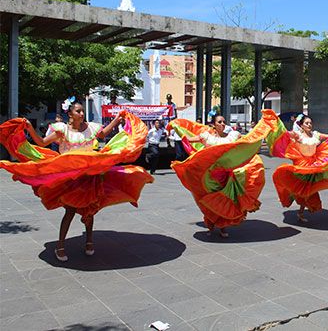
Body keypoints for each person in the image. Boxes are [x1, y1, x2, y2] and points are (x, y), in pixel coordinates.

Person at [0, 100, 153, 262]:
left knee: (90, 208)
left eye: (82, 111)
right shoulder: (62, 130)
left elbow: (104, 134)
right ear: (70, 114)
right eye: (78, 111)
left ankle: (89, 241)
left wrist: (117, 118)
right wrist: (29, 127)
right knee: (71, 210)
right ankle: (60, 245)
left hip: (89, 175)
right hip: (70, 177)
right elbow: (41, 143)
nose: (82, 114)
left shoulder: (91, 128)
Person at [171, 113, 274, 238]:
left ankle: (222, 227)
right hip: (209, 177)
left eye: (224, 122)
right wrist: (176, 127)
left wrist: (263, 128)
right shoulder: (207, 137)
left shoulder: (232, 136)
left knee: (224, 200)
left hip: (226, 175)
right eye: (219, 122)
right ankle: (210, 225)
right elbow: (187, 139)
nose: (223, 124)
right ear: (214, 125)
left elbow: (248, 139)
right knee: (210, 201)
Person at [267, 114, 328, 223]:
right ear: (302, 125)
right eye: (306, 123)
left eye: (310, 123)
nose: (309, 125)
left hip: (315, 164)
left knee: (314, 186)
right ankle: (297, 205)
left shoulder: (316, 135)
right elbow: (284, 135)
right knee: (302, 189)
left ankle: (301, 211)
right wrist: (273, 125)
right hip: (302, 165)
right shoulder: (298, 135)